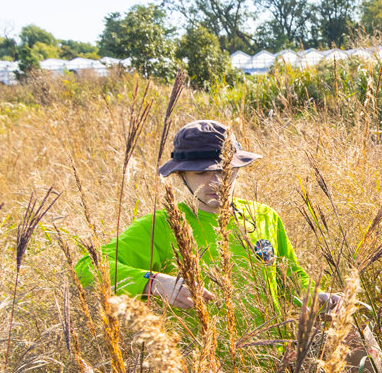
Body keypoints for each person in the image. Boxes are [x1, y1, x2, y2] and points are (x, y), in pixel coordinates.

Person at [75, 119, 337, 318]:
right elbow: (87, 267)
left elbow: (289, 274)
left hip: (272, 359)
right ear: (181, 176)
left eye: (225, 170)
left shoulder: (264, 216)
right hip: (205, 369)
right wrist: (153, 282)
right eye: (202, 173)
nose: (217, 182)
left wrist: (314, 295)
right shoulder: (163, 225)